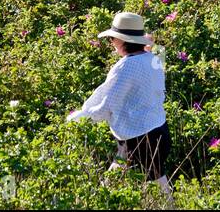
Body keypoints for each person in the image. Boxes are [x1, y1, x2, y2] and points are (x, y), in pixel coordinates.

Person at [67, 11, 172, 201]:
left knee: (156, 189)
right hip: (159, 131)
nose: (112, 43)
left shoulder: (126, 66)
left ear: (124, 41)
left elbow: (107, 104)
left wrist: (80, 117)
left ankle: (98, 203)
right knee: (124, 178)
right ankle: (99, 202)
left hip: (139, 137)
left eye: (113, 39)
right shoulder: (154, 58)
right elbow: (158, 52)